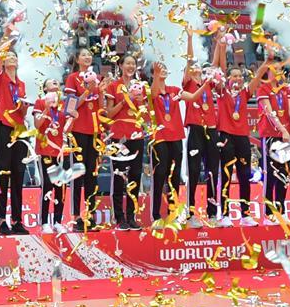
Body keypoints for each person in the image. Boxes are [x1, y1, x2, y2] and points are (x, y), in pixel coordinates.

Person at [214, 32, 269, 227]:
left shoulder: (245, 93)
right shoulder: (222, 91)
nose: (237, 78)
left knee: (245, 175)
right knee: (227, 175)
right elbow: (220, 69)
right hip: (226, 137)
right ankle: (225, 214)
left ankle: (245, 214)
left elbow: (259, 76)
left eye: (239, 76)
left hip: (243, 138)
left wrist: (268, 60)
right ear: (228, 78)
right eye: (234, 76)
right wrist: (222, 46)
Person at [148, 60, 211, 228]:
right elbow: (153, 94)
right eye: (159, 69)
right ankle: (156, 216)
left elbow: (193, 97)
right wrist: (156, 75)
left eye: (164, 68)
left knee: (175, 176)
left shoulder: (175, 90)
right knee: (160, 174)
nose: (163, 70)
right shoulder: (151, 90)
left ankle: (173, 214)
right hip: (159, 137)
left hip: (176, 136)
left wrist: (206, 84)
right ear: (154, 73)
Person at [0, 27, 32, 236]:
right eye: (8, 56)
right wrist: (6, 38)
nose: (11, 58)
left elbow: (22, 113)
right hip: (4, 127)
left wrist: (25, 107)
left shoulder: (22, 84)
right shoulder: (0, 78)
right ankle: (1, 221)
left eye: (14, 57)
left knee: (19, 174)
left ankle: (17, 220)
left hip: (20, 130)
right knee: (3, 174)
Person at [64, 48, 106, 232]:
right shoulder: (72, 78)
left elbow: (101, 108)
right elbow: (70, 107)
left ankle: (90, 216)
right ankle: (75, 217)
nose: (88, 57)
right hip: (78, 131)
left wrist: (101, 91)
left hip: (94, 132)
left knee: (92, 175)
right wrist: (87, 91)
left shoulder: (98, 78)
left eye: (89, 54)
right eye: (84, 55)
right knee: (78, 174)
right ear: (77, 59)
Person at [183, 29, 221, 228]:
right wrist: (190, 38)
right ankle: (191, 215)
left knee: (212, 171)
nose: (197, 68)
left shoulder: (208, 84)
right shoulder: (188, 83)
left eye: (200, 66)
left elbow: (215, 65)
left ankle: (213, 213)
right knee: (193, 170)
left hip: (211, 129)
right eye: (194, 67)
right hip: (196, 129)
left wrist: (219, 42)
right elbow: (190, 61)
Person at [104, 55, 147, 230]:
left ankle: (131, 216)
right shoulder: (113, 86)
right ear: (120, 65)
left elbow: (145, 116)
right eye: (127, 63)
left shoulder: (141, 86)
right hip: (119, 135)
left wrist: (140, 102)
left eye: (133, 63)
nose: (131, 66)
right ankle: (119, 218)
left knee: (135, 175)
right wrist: (125, 99)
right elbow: (109, 114)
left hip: (136, 135)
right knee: (119, 176)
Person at [255, 55, 290, 225]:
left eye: (280, 69)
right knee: (270, 174)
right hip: (271, 135)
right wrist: (283, 129)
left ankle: (281, 212)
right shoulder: (263, 89)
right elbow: (269, 113)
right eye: (274, 69)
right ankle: (269, 213)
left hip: (286, 137)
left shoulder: (285, 89)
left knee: (283, 174)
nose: (277, 72)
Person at [34, 79, 67, 233]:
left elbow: (67, 129)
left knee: (60, 187)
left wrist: (73, 117)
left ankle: (58, 221)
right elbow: (37, 125)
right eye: (51, 82)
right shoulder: (40, 102)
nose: (55, 83)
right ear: (45, 88)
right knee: (47, 185)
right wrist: (46, 109)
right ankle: (44, 222)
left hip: (59, 152)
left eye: (57, 82)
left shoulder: (62, 104)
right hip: (45, 149)